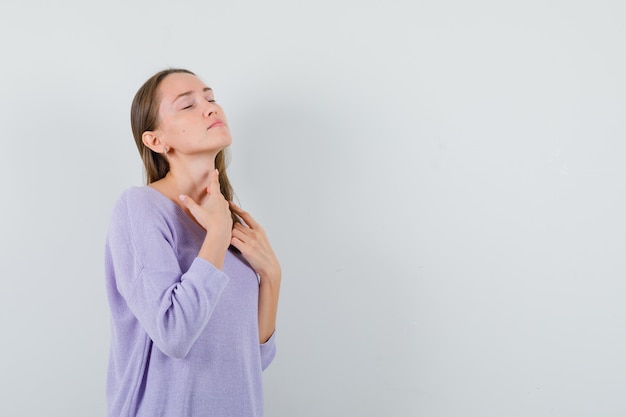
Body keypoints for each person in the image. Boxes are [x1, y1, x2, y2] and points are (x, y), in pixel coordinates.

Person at [104, 68, 281, 417]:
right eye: (187, 105)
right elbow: (173, 333)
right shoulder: (140, 207)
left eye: (211, 98)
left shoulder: (230, 219)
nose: (211, 108)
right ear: (155, 141)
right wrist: (215, 236)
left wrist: (272, 276)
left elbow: (250, 360)